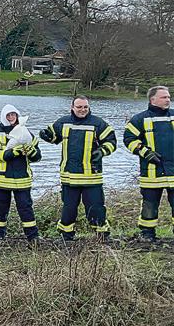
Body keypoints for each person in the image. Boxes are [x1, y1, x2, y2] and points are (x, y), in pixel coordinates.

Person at [40, 95, 117, 240]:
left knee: (96, 208)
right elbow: (53, 137)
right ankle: (66, 236)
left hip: (91, 176)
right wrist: (45, 135)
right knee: (69, 209)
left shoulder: (99, 124)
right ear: (72, 107)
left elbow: (112, 142)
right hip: (69, 176)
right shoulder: (63, 122)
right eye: (79, 107)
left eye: (85, 107)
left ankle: (102, 236)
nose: (83, 110)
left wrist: (102, 151)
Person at [123, 86, 174, 242]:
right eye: (164, 97)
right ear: (153, 99)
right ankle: (147, 235)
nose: (168, 100)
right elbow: (129, 139)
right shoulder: (139, 119)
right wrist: (145, 152)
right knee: (149, 205)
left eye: (169, 97)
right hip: (152, 171)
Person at [0, 104, 41, 240]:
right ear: (3, 117)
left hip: (22, 179)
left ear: (17, 115)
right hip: (0, 179)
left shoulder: (25, 131)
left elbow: (38, 157)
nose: (11, 117)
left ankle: (33, 237)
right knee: (0, 209)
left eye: (13, 114)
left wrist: (31, 152)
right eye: (8, 115)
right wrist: (13, 152)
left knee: (26, 208)